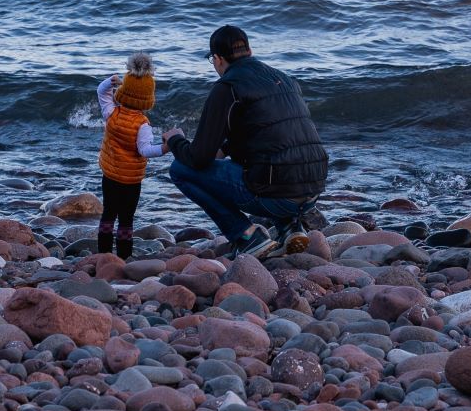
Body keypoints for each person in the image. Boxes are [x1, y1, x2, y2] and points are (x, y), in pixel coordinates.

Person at [163, 25, 328, 257]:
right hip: (313, 189)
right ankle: (290, 226)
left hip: (276, 195)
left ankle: (246, 235)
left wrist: (175, 140)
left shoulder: (227, 88)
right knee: (275, 164)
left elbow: (197, 158)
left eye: (213, 60)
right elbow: (268, 134)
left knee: (180, 169)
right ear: (249, 50)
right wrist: (223, 149)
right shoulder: (284, 79)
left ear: (218, 59)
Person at [93, 52, 164, 260]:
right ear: (147, 99)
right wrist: (166, 148)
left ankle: (104, 256)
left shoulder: (111, 114)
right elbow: (145, 150)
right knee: (126, 219)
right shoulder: (143, 125)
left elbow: (101, 92)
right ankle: (123, 257)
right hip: (131, 181)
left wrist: (110, 81)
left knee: (108, 214)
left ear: (123, 92)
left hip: (109, 176)